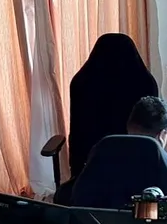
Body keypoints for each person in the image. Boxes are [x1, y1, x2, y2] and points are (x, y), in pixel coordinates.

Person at [68, 33, 159, 177]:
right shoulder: (145, 82)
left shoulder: (82, 82)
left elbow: (76, 133)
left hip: (90, 168)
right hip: (138, 166)